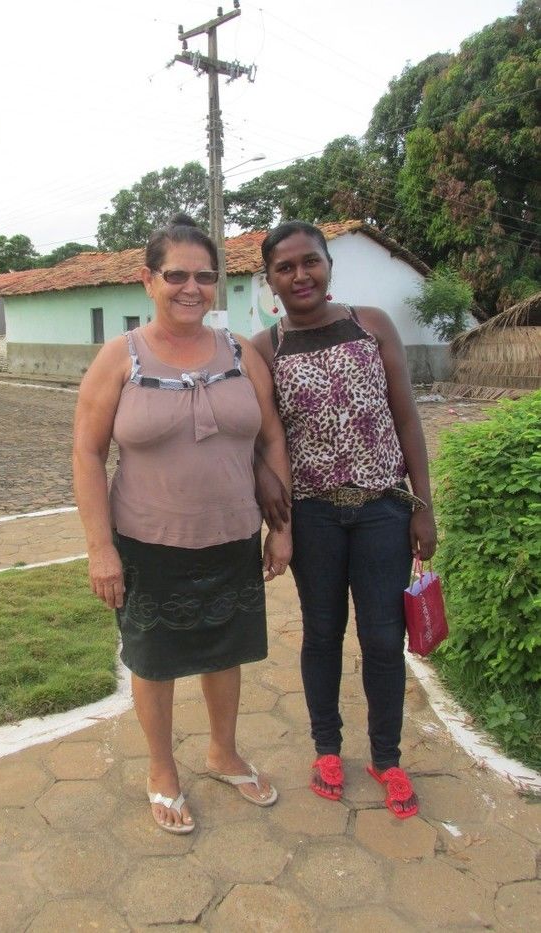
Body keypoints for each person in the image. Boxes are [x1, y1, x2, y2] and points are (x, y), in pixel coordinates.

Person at [73, 214, 292, 834]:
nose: (191, 288)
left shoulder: (241, 353)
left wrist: (281, 527)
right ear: (148, 280)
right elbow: (86, 452)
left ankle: (223, 753)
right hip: (147, 544)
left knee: (225, 652)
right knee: (155, 660)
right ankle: (162, 769)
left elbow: (272, 438)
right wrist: (100, 549)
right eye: (176, 276)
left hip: (231, 536)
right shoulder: (120, 357)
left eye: (204, 276)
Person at [252, 220, 437, 820]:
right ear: (271, 280)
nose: (300, 275)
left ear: (329, 264)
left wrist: (423, 506)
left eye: (310, 261)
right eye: (285, 268)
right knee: (323, 633)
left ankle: (387, 758)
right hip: (313, 516)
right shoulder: (264, 349)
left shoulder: (371, 324)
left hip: (383, 508)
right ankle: (327, 749)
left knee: (383, 637)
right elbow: (257, 432)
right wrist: (265, 487)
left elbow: (406, 418)